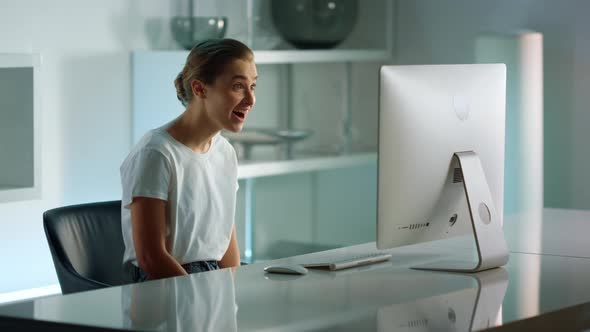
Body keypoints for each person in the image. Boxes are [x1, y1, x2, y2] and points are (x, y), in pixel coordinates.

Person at [120, 38, 257, 282]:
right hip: (163, 284)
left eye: (253, 87)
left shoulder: (225, 152)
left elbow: (225, 243)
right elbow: (151, 258)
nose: (250, 100)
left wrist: (230, 293)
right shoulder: (156, 153)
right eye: (238, 86)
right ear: (200, 89)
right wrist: (199, 299)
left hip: (211, 280)